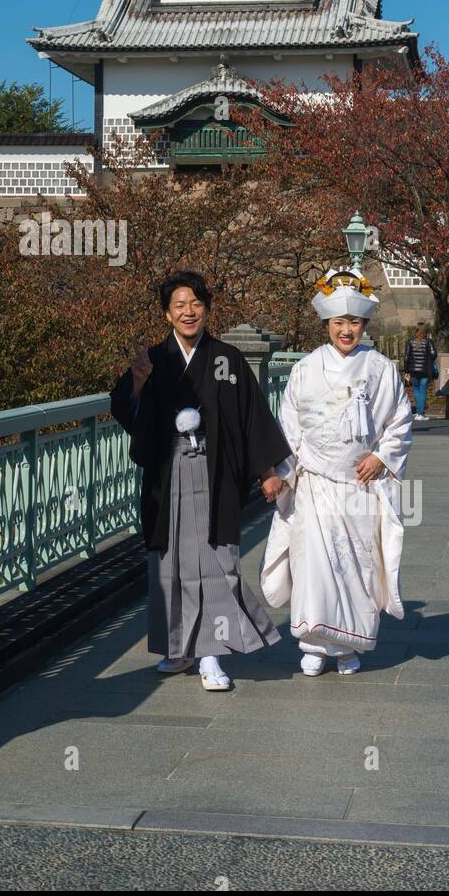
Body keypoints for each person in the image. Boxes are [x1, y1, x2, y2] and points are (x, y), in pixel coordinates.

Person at [110, 270, 291, 692]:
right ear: (167, 315)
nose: (189, 312)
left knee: (215, 562)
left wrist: (267, 471)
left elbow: (251, 418)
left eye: (196, 304)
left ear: (207, 308)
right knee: (169, 563)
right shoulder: (154, 360)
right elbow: (125, 409)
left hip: (217, 471)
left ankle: (212, 653)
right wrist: (136, 384)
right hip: (166, 472)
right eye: (179, 306)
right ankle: (179, 648)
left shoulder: (227, 359)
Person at [259, 268, 413, 677]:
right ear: (327, 323)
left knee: (358, 567)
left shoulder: (380, 368)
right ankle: (312, 643)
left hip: (358, 484)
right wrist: (283, 474)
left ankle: (348, 645)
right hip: (315, 483)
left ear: (364, 324)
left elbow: (400, 420)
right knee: (313, 565)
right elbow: (289, 427)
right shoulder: (306, 369)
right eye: (339, 322)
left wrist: (381, 457)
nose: (347, 330)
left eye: (355, 322)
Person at [403, 322, 438, 420]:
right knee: (423, 390)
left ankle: (418, 413)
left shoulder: (410, 341)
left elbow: (406, 357)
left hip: (413, 370)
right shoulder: (428, 342)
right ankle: (421, 413)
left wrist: (406, 370)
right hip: (425, 370)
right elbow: (434, 354)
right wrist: (427, 360)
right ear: (425, 332)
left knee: (416, 390)